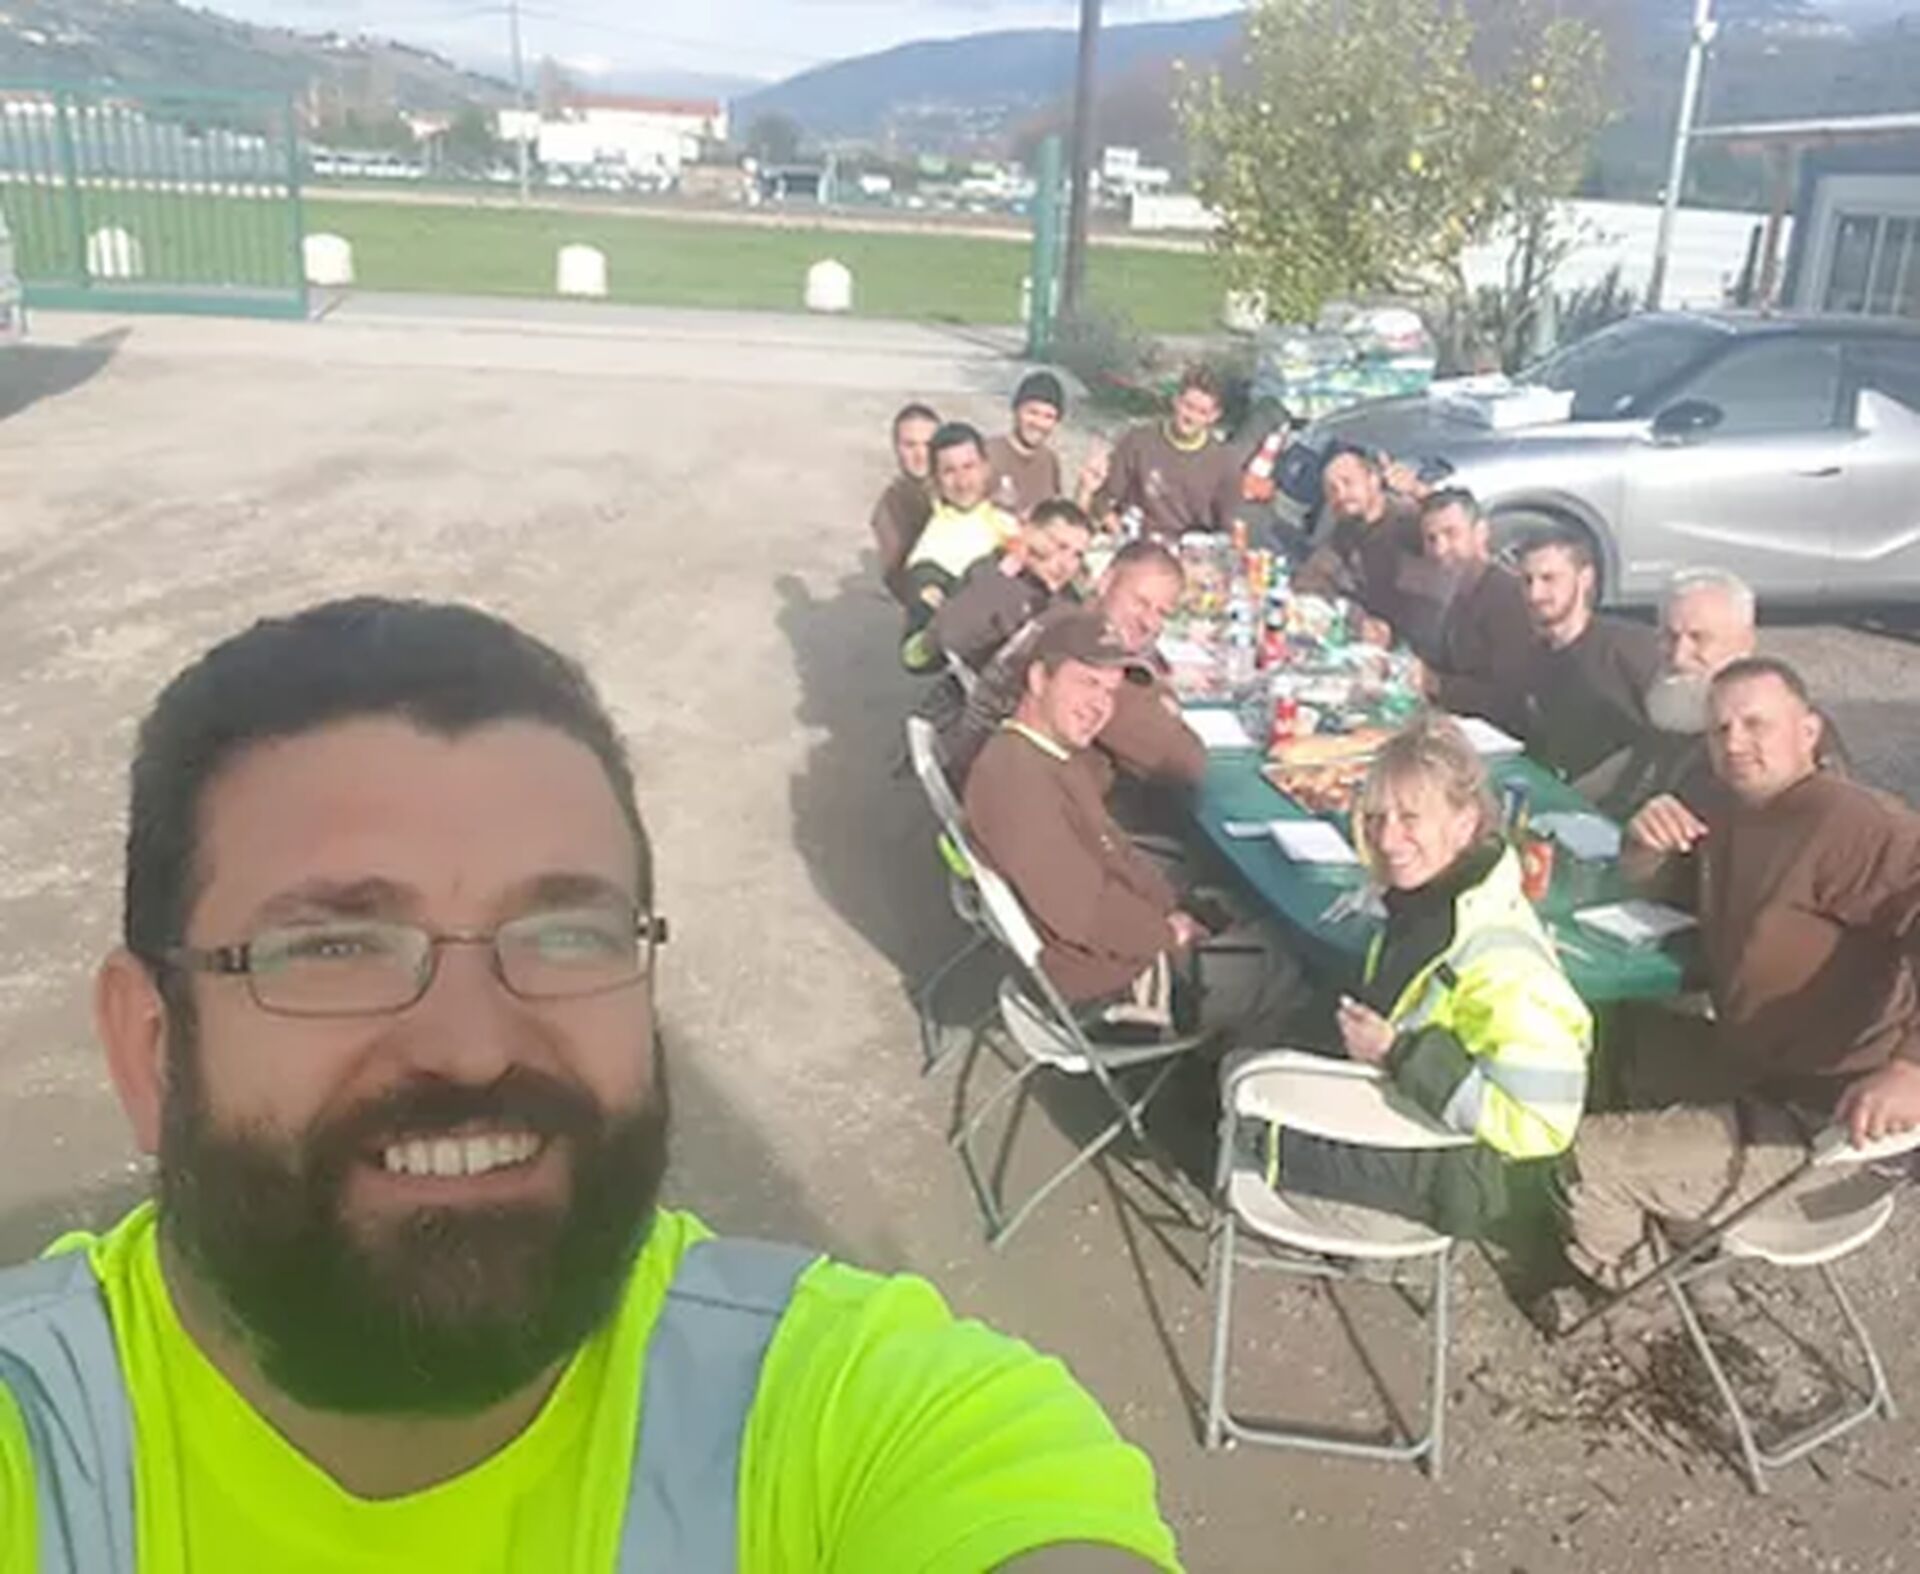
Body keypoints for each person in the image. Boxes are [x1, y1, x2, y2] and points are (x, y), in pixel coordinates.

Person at [0, 599, 1181, 1572]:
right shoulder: (40, 1442)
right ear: (149, 1044)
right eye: (337, 945)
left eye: (566, 934)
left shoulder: (852, 1417)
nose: (471, 1046)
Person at [1544, 658, 1920, 1322]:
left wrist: (1911, 1068)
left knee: (1577, 1160)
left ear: (1809, 731)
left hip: (1830, 1117)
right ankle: (1685, 1231)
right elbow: (1670, 890)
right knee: (1611, 1048)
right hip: (1758, 1063)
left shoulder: (1849, 822)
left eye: (1756, 724)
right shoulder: (1728, 807)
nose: (1735, 743)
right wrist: (1644, 848)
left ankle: (1639, 1300)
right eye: (1720, 729)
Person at [1256, 715, 1591, 1239]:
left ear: (1464, 822)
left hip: (1441, 1181)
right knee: (1247, 1053)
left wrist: (1399, 1053)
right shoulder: (1427, 902)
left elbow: (1542, 1124)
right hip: (1396, 1117)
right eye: (1375, 818)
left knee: (1233, 1117)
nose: (1387, 839)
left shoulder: (1506, 967)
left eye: (1410, 818)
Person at [964, 613, 1300, 1044]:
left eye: (1110, 691)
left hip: (1107, 952)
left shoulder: (1045, 754)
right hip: (1103, 989)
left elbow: (1111, 854)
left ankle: (1219, 1045)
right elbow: (1085, 913)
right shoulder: (1017, 782)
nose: (1099, 705)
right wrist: (1168, 932)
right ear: (1038, 679)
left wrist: (1174, 910)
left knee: (1235, 905)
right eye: (1087, 683)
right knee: (1288, 962)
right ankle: (1227, 1075)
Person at [940, 539, 1203, 800]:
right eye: (1140, 602)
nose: (1149, 622)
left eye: (1162, 613)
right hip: (1015, 800)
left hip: (995, 780)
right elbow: (1182, 762)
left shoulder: (1066, 618)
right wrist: (1162, 701)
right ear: (1106, 582)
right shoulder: (1088, 649)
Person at [1585, 567, 1849, 822]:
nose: (1678, 657)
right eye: (1670, 637)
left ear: (1745, 642)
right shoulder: (1675, 705)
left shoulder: (1790, 734)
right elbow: (1636, 763)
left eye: (1699, 638)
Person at [1514, 529, 1662, 786]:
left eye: (1549, 579)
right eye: (1527, 581)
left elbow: (1662, 742)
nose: (1534, 593)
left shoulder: (1629, 648)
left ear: (1585, 578)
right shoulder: (1534, 656)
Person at [1293, 447, 1449, 655]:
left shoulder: (1408, 520)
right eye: (1332, 490)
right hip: (1379, 649)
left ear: (1374, 480)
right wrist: (1359, 620)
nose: (1341, 495)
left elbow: (1457, 534)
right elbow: (1311, 579)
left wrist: (1420, 491)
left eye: (1348, 483)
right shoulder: (1347, 530)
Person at [1411, 489, 1534, 734]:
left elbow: (1512, 698)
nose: (1440, 549)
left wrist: (1436, 683)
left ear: (1481, 533)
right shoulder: (1459, 589)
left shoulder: (1508, 596)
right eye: (1431, 539)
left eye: (1451, 534)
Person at [900, 422, 1019, 672]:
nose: (963, 482)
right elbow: (914, 656)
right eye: (949, 471)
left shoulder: (1001, 515)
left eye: (969, 467)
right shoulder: (931, 553)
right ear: (935, 480)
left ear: (986, 468)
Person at [933, 499, 1093, 672]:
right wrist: (1012, 569)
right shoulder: (988, 572)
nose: (1066, 564)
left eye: (1077, 555)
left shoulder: (1068, 607)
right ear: (1031, 535)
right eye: (1061, 546)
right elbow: (950, 636)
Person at [1090, 365, 1241, 542]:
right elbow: (1103, 500)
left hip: (1188, 547)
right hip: (1135, 539)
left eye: (1202, 412)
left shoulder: (1224, 461)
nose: (1191, 417)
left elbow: (1227, 528)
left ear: (1214, 416)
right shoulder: (1139, 441)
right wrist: (1119, 534)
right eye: (1188, 406)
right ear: (1176, 401)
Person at [985, 371, 1102, 522]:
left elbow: (1061, 526)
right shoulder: (988, 454)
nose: (1039, 423)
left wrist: (1085, 489)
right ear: (1016, 410)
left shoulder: (1049, 460)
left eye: (1049, 416)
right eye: (1032, 412)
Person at [870, 402, 940, 604]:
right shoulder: (890, 507)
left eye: (928, 445)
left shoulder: (964, 484)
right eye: (910, 445)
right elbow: (896, 577)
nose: (920, 455)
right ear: (896, 448)